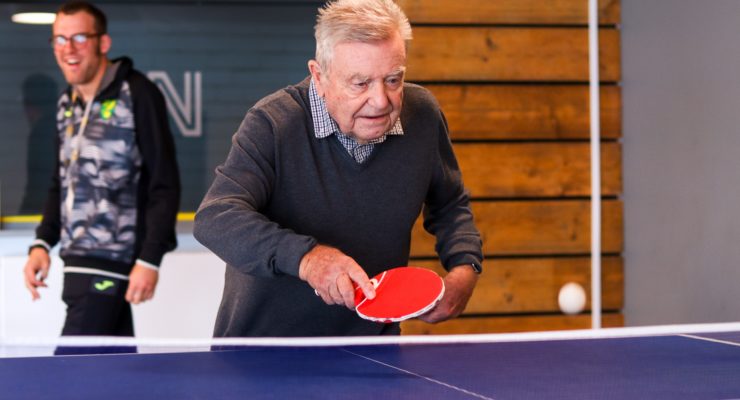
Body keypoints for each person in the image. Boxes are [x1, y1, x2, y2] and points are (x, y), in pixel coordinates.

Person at [194, 0, 482, 337]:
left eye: (393, 80)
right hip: (263, 354)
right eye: (360, 84)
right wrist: (308, 258)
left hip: (373, 351)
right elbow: (215, 218)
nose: (380, 100)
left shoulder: (423, 116)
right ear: (319, 76)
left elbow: (450, 205)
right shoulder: (272, 123)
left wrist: (465, 267)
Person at [22, 1, 181, 339]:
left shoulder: (137, 93)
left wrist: (150, 258)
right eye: (60, 40)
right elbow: (59, 183)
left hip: (111, 262)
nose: (69, 49)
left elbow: (164, 183)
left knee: (69, 377)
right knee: (111, 373)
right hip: (74, 260)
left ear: (102, 43)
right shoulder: (67, 104)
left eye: (79, 37)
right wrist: (41, 243)